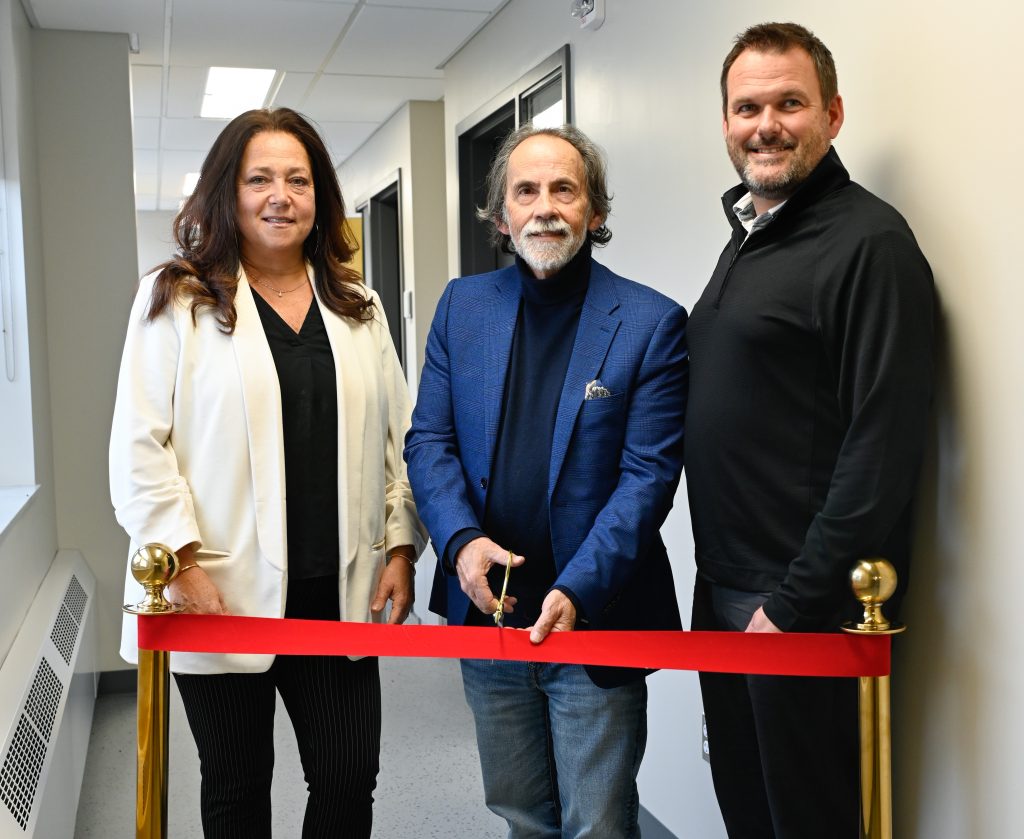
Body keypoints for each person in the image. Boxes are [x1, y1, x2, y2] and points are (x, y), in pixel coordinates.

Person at [110, 107, 426, 838]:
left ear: (320, 197)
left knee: (348, 781)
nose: (280, 195)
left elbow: (397, 441)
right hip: (218, 591)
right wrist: (181, 560)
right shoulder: (178, 299)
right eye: (260, 179)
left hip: (337, 588)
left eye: (298, 179)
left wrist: (402, 546)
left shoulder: (360, 306)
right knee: (235, 786)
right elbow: (139, 444)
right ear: (229, 192)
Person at [686, 22, 935, 838]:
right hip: (725, 589)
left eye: (789, 103)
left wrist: (791, 606)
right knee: (749, 812)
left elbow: (881, 448)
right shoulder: (752, 233)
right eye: (747, 106)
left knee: (809, 821)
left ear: (831, 112)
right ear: (725, 122)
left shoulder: (870, 242)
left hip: (801, 607)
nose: (766, 124)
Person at [405, 123, 688, 838]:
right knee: (523, 812)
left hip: (597, 615)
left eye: (565, 188)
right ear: (501, 216)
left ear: (595, 211)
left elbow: (647, 477)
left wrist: (578, 587)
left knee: (597, 823)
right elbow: (429, 441)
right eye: (525, 190)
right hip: (489, 614)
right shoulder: (462, 309)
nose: (545, 206)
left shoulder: (652, 323)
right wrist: (462, 543)